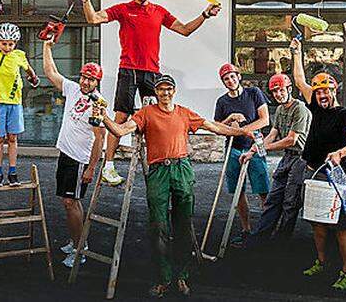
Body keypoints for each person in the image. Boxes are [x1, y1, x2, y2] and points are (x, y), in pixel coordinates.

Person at [97, 74, 248, 298]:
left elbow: (214, 127)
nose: (165, 93)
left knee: (183, 224)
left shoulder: (185, 113)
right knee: (158, 226)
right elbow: (121, 131)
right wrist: (104, 119)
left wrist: (243, 132)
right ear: (156, 92)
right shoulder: (146, 113)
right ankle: (164, 278)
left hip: (182, 169)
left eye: (168, 89)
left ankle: (181, 276)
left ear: (174, 91)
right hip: (159, 172)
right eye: (161, 89)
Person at [78, 0, 221, 186]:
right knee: (121, 118)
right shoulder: (123, 9)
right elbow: (93, 18)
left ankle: (159, 162)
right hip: (128, 69)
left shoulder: (159, 11)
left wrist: (205, 15)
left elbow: (184, 30)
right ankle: (108, 167)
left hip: (152, 72)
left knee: (158, 118)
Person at [290, 38, 346, 292]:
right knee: (316, 221)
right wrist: (297, 52)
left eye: (326, 91)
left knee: (341, 226)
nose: (321, 95)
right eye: (318, 92)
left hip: (335, 176)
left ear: (334, 92)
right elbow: (299, 80)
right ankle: (321, 262)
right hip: (312, 172)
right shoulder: (316, 106)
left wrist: (340, 152)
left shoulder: (344, 115)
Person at [40, 37, 107, 268]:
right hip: (66, 154)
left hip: (80, 159)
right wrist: (46, 47)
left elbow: (100, 138)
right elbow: (51, 73)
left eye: (91, 79)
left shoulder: (98, 104)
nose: (86, 82)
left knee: (71, 202)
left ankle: (80, 250)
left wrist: (91, 167)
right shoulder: (73, 89)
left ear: (97, 81)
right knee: (69, 202)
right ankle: (76, 240)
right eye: (84, 77)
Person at [241, 72, 311, 243]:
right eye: (275, 92)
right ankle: (260, 237)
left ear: (289, 89)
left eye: (281, 90)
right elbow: (273, 134)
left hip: (301, 158)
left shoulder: (299, 108)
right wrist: (254, 150)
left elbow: (291, 139)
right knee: (274, 198)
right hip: (287, 157)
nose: (278, 94)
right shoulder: (280, 110)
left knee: (290, 201)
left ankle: (282, 241)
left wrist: (265, 147)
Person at [213, 62, 270, 238]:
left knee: (263, 189)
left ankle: (267, 229)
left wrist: (244, 130)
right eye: (225, 79)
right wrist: (230, 119)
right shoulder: (222, 102)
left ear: (239, 76)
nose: (230, 81)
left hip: (254, 147)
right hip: (234, 148)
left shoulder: (254, 93)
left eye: (232, 76)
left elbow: (265, 120)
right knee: (238, 191)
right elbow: (217, 127)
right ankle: (246, 229)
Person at [0, 1, 37, 187]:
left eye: (9, 44)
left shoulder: (19, 55)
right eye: (3, 44)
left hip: (15, 102)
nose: (6, 47)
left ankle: (13, 172)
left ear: (14, 43)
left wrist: (33, 77)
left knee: (13, 138)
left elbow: (29, 69)